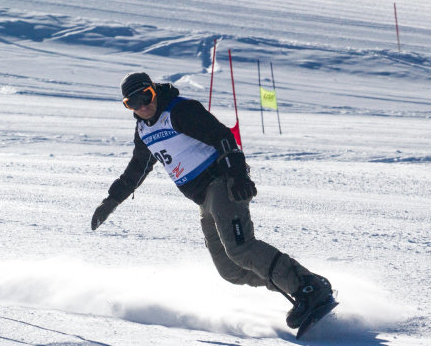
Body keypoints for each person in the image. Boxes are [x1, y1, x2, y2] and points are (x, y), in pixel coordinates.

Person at [90, 71, 335, 332]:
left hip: (220, 182)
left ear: (154, 90)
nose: (143, 106)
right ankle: (299, 288)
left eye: (146, 97)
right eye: (132, 103)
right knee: (230, 269)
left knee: (240, 248)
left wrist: (238, 175)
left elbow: (223, 137)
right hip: (203, 200)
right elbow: (136, 170)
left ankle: (308, 288)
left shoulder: (180, 111)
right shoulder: (143, 131)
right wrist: (111, 201)